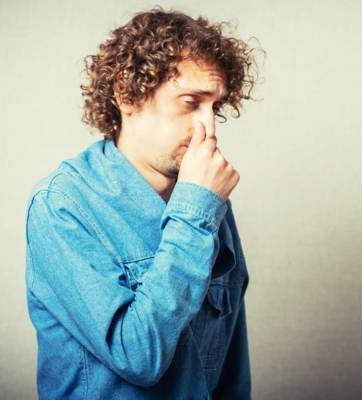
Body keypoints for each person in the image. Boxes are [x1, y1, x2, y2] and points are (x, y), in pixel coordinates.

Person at [25, 8, 261, 399]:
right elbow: (138, 356)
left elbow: (232, 370)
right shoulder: (61, 204)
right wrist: (196, 210)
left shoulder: (205, 198)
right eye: (191, 102)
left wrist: (200, 206)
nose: (211, 128)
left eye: (215, 107)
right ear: (126, 93)